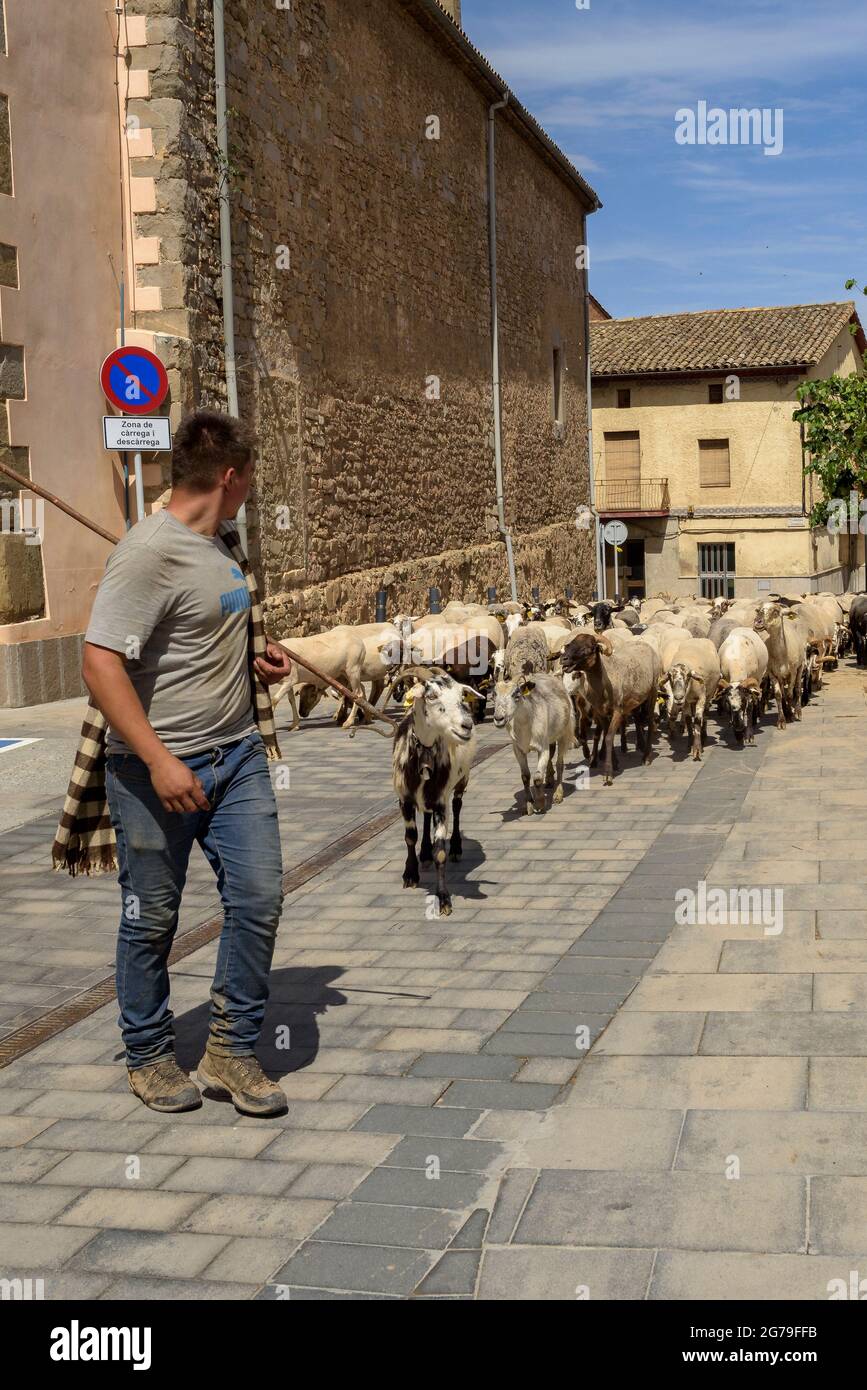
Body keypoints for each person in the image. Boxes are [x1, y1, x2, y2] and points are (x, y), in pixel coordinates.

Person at [80, 409, 291, 1116]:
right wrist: (161, 761)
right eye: (251, 474)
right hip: (153, 773)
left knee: (258, 897)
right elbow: (99, 662)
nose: (253, 486)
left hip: (236, 757)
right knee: (151, 917)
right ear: (230, 476)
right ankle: (147, 1056)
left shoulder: (221, 540)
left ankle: (230, 1049)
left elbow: (206, 629)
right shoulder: (148, 552)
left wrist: (256, 661)